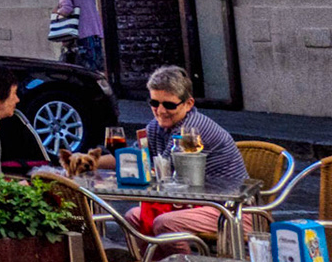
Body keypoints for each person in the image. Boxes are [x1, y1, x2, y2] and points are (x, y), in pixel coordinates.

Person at [82, 64, 245, 246]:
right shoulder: (156, 126)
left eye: (168, 104)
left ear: (189, 104)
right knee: (132, 218)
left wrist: (129, 171)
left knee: (165, 224)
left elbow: (162, 175)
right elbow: (134, 159)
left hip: (231, 209)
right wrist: (89, 162)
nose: (160, 111)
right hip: (192, 202)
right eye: (154, 103)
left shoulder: (192, 131)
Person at [52, 0, 106, 73]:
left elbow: (67, 9)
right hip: (94, 31)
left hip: (79, 33)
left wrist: (56, 11)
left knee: (80, 69)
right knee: (94, 66)